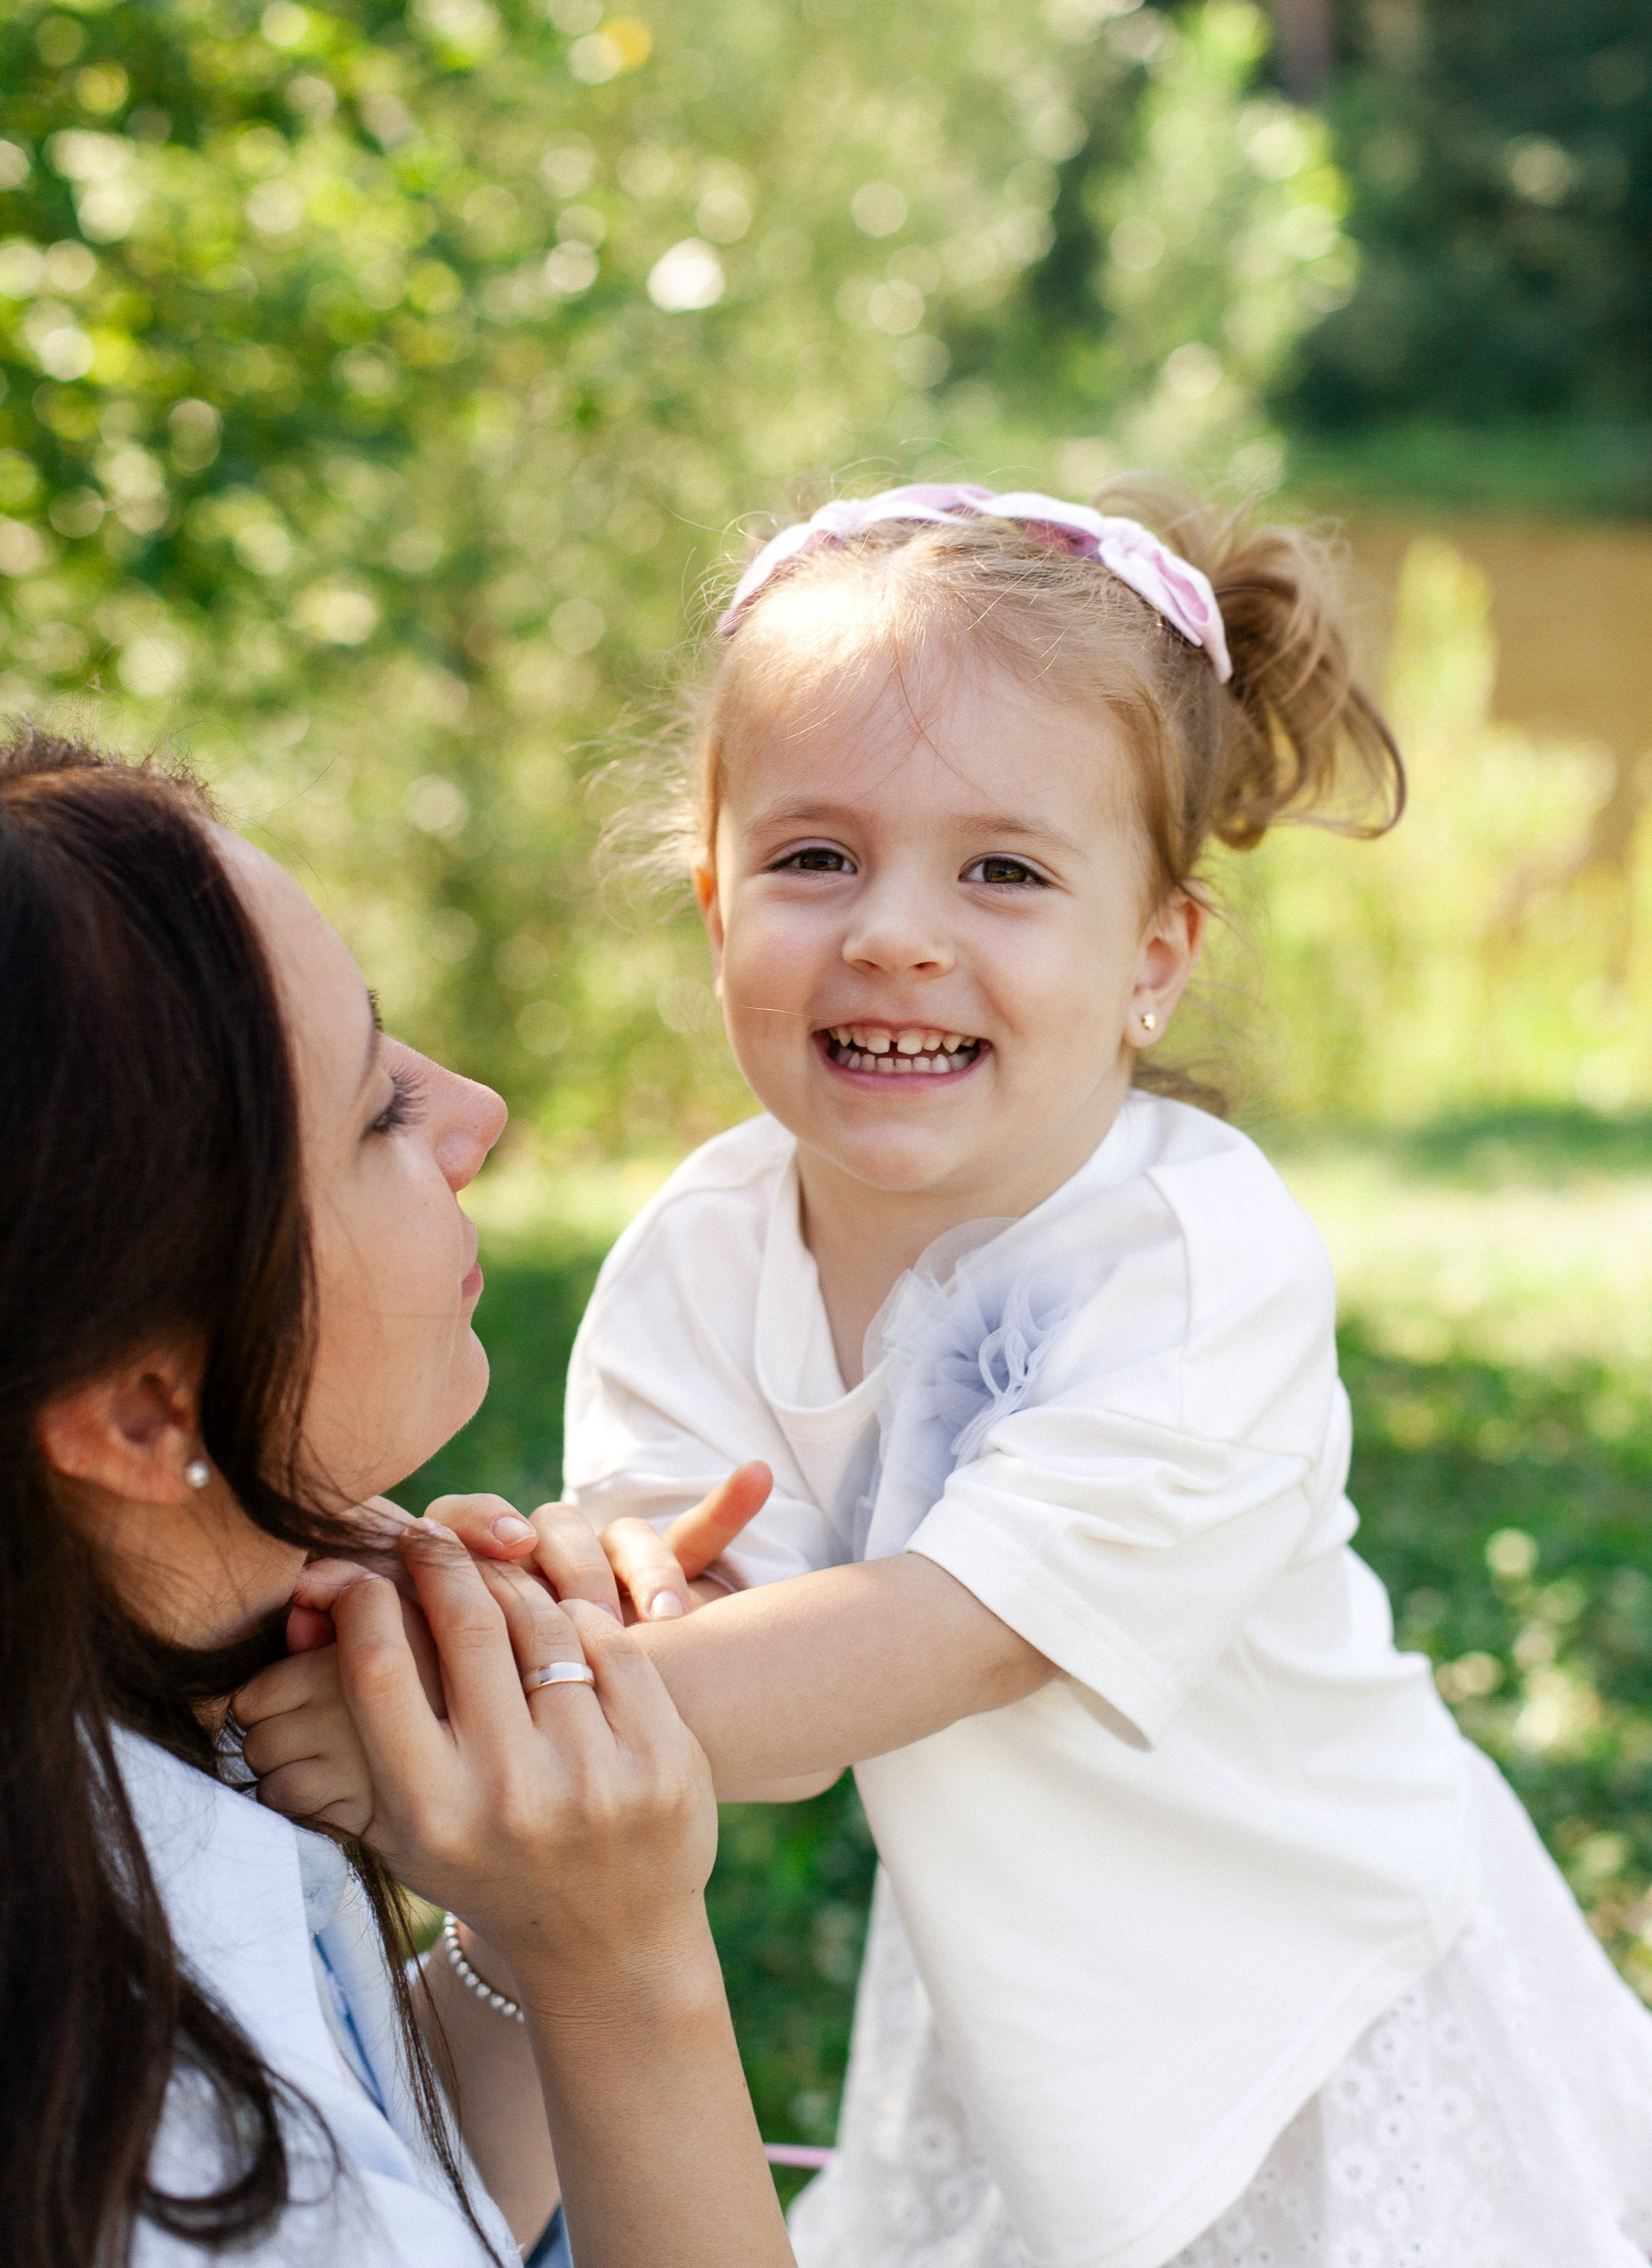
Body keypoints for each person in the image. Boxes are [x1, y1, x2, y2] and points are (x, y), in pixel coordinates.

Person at [241, 482, 1652, 2267]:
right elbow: (683, 1585)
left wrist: (444, 1724)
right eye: (815, 856)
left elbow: (925, 1637)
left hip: (1308, 1998)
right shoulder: (710, 1239)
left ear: (1152, 959)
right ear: (713, 898)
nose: (896, 931)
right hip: (1019, 1987)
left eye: (1002, 869)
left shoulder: (1188, 1264)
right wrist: (531, 1607)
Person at [0, 728, 795, 2268]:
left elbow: (390, 2190)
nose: (473, 1111)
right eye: (375, 1117)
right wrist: (630, 1963)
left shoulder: (93, 1767)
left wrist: (528, 1914)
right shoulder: (107, 2144)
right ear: (148, 1410)